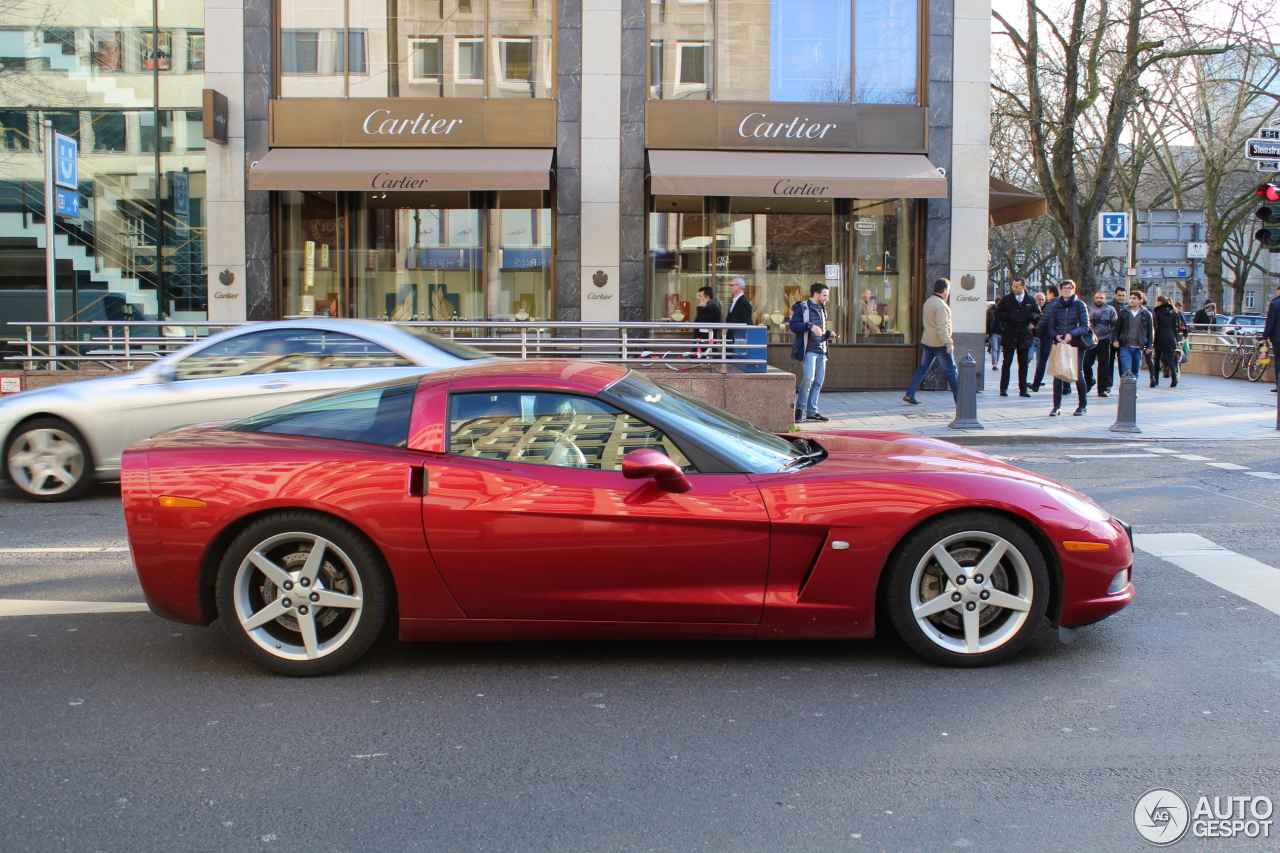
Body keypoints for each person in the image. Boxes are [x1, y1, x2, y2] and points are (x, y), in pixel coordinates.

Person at [903, 279, 959, 405]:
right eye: (948, 290)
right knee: (951, 371)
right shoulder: (941, 305)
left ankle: (909, 394)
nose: (949, 292)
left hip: (927, 341)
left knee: (922, 369)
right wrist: (948, 343)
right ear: (944, 290)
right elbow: (942, 327)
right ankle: (959, 400)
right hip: (939, 343)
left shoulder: (929, 301)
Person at [790, 283, 838, 422]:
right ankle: (800, 409)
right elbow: (793, 326)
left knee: (818, 382)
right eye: (825, 295)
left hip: (822, 350)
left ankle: (812, 412)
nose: (826, 298)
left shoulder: (823, 309)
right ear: (816, 294)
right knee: (809, 378)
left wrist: (829, 333)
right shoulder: (803, 307)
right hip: (809, 350)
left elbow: (821, 330)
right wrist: (810, 326)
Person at [1043, 279, 1091, 416]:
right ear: (1060, 290)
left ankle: (1082, 405)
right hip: (1060, 343)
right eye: (1064, 288)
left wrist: (1071, 334)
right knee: (1058, 373)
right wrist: (1056, 336)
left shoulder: (1080, 305)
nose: (1067, 290)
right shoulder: (1056, 305)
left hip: (1075, 344)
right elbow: (1050, 326)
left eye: (1070, 288)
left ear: (1073, 290)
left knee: (1077, 373)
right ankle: (1056, 406)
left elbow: (1084, 326)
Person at [994, 277, 1040, 396]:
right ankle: (1003, 388)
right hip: (1010, 334)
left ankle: (1023, 389)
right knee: (1007, 362)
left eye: (1017, 286)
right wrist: (1009, 316)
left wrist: (1032, 316)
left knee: (1023, 364)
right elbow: (997, 313)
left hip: (1024, 335)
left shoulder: (1030, 300)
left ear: (1024, 287)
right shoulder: (1006, 299)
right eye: (1013, 286)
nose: (1015, 289)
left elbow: (1037, 313)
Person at [1113, 290, 1154, 385]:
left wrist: (1149, 346)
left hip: (1138, 346)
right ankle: (1124, 389)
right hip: (1125, 345)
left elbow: (1150, 331)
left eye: (1134, 298)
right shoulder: (1124, 312)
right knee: (1126, 368)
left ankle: (1133, 389)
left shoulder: (1146, 314)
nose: (1131, 300)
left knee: (1135, 371)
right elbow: (1117, 328)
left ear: (1140, 300)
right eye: (1131, 298)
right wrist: (1115, 340)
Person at [1083, 289, 1118, 398]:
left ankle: (1101, 389)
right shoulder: (1088, 309)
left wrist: (1111, 339)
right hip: (1090, 341)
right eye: (1097, 297)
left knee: (1103, 366)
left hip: (1104, 340)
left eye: (1101, 298)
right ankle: (1089, 381)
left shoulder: (1110, 310)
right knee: (1086, 364)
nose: (1099, 300)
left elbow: (1114, 326)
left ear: (1105, 299)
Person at [1030, 284, 1060, 391]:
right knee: (1060, 361)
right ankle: (1066, 386)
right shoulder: (1063, 304)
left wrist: (1038, 333)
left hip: (1047, 336)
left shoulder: (1050, 305)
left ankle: (1036, 384)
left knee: (1042, 361)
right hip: (1060, 337)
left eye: (1047, 294)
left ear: (1051, 293)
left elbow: (1044, 322)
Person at [725, 277, 753, 359]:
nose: (729, 287)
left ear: (738, 286)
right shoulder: (735, 301)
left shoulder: (743, 302)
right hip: (731, 339)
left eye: (731, 285)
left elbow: (747, 322)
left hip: (738, 340)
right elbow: (729, 321)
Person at [1263, 284, 1280, 391]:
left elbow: (1270, 322)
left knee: (1278, 360)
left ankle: (1278, 384)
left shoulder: (1275, 304)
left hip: (1278, 338)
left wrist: (1265, 336)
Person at [985, 301, 1002, 371]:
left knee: (999, 349)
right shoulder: (991, 311)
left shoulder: (1004, 311)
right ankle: (994, 363)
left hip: (1002, 333)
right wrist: (987, 332)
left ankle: (996, 363)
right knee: (994, 348)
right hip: (993, 333)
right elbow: (987, 322)